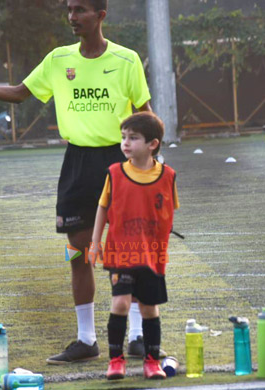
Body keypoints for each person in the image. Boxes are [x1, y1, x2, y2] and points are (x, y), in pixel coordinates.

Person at [0, 0, 160, 364]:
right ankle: (86, 339)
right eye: (70, 10)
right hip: (77, 162)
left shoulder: (126, 60)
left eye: (81, 10)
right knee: (78, 252)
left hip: (118, 162)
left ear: (101, 16)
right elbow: (20, 92)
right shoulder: (59, 59)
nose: (72, 17)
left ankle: (137, 335)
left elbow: (145, 112)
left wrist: (150, 157)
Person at [89, 112, 179, 380]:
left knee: (150, 308)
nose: (125, 143)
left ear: (153, 144)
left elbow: (167, 214)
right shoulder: (115, 173)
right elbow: (103, 206)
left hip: (152, 256)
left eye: (133, 138)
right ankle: (116, 361)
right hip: (121, 253)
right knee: (120, 303)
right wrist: (95, 243)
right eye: (123, 137)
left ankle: (152, 362)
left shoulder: (168, 177)